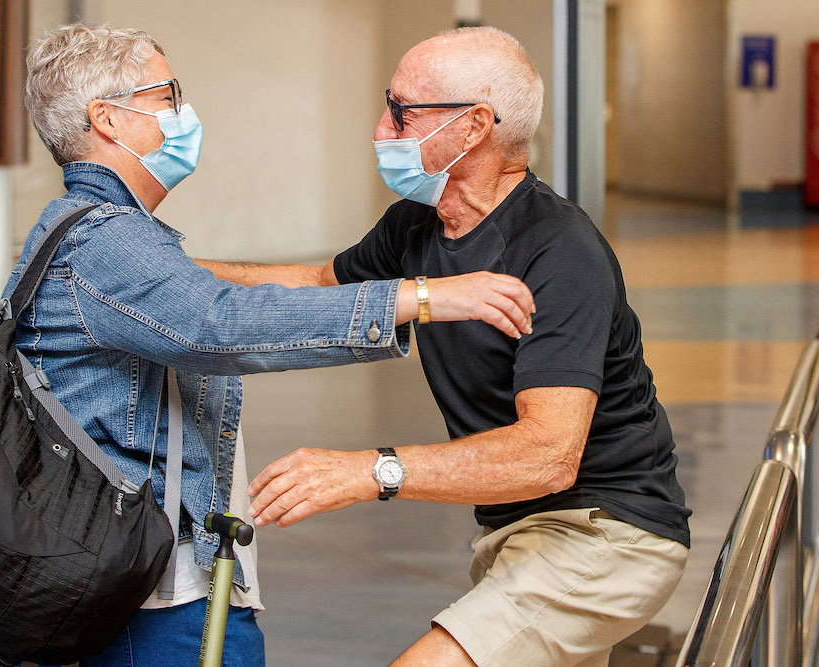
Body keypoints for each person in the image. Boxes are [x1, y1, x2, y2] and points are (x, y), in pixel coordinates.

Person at [14, 23, 535, 667]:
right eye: (167, 95)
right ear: (109, 121)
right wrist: (423, 297)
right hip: (150, 609)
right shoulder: (105, 243)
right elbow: (219, 325)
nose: (183, 113)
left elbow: (243, 293)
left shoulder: (101, 238)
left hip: (132, 593)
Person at [198, 26, 691, 666]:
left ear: (472, 127)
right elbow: (320, 285)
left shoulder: (559, 251)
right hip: (516, 531)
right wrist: (170, 274)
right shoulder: (414, 228)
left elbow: (548, 456)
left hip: (608, 533)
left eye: (402, 111)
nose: (381, 129)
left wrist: (367, 471)